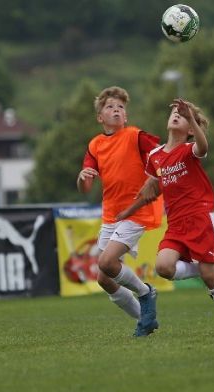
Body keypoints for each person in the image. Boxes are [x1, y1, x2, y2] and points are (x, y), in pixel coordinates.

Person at [117, 99, 214, 336]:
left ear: (189, 129)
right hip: (176, 224)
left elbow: (203, 148)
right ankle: (205, 269)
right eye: (174, 113)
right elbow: (151, 188)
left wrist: (193, 119)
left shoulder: (190, 149)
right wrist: (128, 210)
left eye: (182, 116)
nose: (176, 115)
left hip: (200, 218)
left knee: (209, 277)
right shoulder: (155, 156)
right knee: (163, 267)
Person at [77, 86, 163, 337]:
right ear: (100, 117)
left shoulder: (136, 136)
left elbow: (161, 157)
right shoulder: (95, 145)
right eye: (110, 107)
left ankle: (146, 292)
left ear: (125, 117)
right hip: (111, 215)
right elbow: (85, 187)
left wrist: (155, 176)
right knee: (104, 278)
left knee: (106, 261)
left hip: (136, 211)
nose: (116, 110)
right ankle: (145, 319)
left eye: (121, 107)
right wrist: (83, 177)